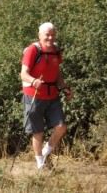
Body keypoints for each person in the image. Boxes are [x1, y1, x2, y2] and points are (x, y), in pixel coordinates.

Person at [20, 22, 73, 169]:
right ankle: (40, 164)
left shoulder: (56, 50)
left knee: (61, 126)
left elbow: (57, 73)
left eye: (52, 35)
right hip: (34, 95)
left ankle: (45, 153)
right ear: (39, 35)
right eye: (47, 35)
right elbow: (23, 74)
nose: (50, 38)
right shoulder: (32, 50)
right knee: (38, 131)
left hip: (52, 95)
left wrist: (64, 87)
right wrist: (33, 80)